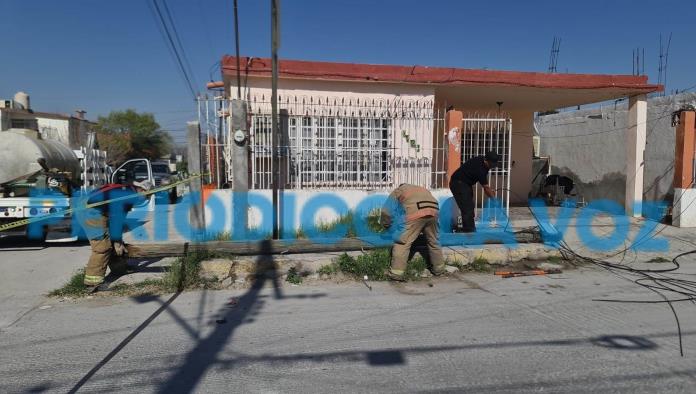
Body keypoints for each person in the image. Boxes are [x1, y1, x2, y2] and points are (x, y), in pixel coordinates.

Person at [81, 180, 152, 291]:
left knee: (115, 242)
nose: (147, 199)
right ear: (142, 190)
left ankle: (119, 268)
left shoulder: (128, 190)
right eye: (147, 195)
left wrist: (117, 240)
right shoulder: (129, 196)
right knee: (102, 247)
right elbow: (117, 219)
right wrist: (117, 240)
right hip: (91, 210)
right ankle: (92, 283)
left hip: (98, 208)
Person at [380, 183, 445, 282]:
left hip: (415, 213)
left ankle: (396, 274)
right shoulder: (421, 189)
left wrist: (386, 225)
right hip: (434, 211)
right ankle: (439, 269)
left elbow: (386, 211)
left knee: (402, 241)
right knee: (434, 240)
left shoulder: (399, 190)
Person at [449, 151, 500, 233]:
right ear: (487, 161)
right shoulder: (480, 169)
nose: (493, 167)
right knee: (467, 207)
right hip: (458, 183)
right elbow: (486, 187)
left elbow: (486, 187)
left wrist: (490, 192)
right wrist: (494, 200)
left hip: (465, 184)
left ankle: (467, 228)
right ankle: (469, 231)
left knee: (469, 206)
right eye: (492, 164)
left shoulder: (481, 162)